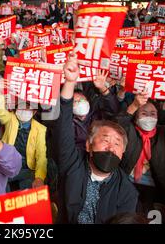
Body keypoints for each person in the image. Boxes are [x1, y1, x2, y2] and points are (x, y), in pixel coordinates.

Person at [55, 55, 138, 224]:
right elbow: (62, 127)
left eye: (117, 144)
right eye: (105, 140)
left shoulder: (127, 191)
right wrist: (70, 82)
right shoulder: (72, 165)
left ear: (123, 152)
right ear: (88, 145)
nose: (111, 148)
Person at [116, 92, 165, 213]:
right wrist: (134, 106)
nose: (149, 117)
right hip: (127, 182)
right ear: (136, 117)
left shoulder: (163, 132)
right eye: (143, 113)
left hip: (153, 186)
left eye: (153, 114)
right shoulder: (129, 130)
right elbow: (117, 126)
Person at [0, 79, 47, 191]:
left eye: (28, 108)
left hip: (27, 168)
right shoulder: (11, 119)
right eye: (20, 107)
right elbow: (0, 111)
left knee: (29, 187)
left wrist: (39, 177)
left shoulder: (40, 129)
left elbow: (41, 155)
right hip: (8, 165)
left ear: (34, 112)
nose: (23, 110)